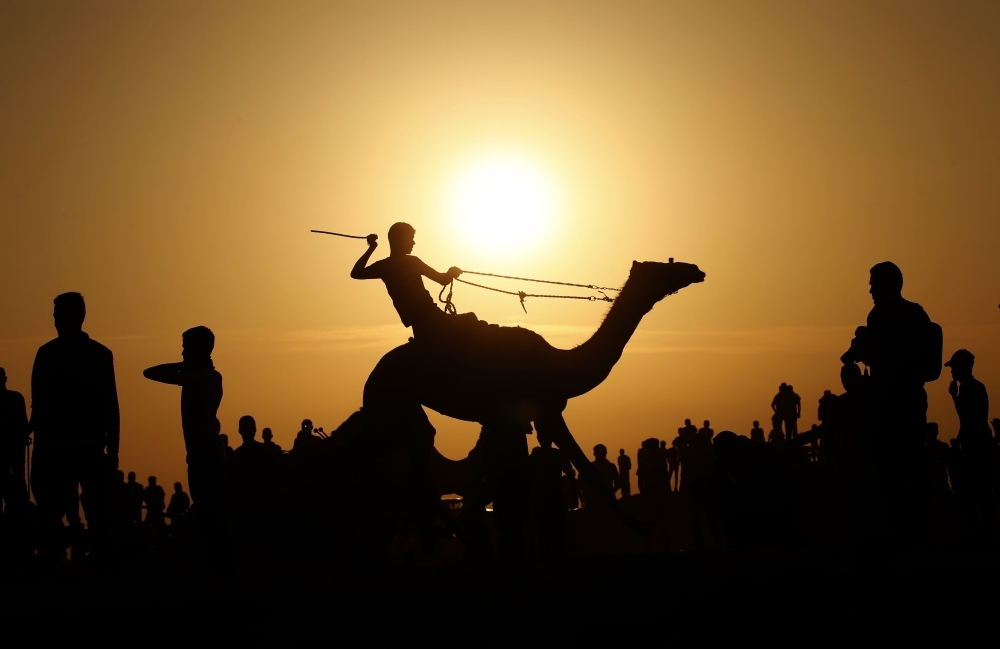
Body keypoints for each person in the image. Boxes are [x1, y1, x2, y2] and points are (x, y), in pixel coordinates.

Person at [841, 261, 941, 541]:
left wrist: (863, 350)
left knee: (894, 468)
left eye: (874, 283)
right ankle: (916, 529)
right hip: (906, 397)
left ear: (889, 284)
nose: (870, 289)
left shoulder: (883, 315)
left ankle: (905, 530)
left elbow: (882, 356)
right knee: (909, 464)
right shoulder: (913, 313)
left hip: (892, 398)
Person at [30, 293, 119, 566]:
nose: (54, 320)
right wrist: (112, 449)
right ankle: (98, 565)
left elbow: (40, 404)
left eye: (58, 314)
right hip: (86, 445)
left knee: (54, 511)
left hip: (59, 446)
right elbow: (110, 406)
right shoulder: (99, 354)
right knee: (92, 511)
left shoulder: (47, 354)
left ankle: (52, 565)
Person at [143, 326, 228, 568]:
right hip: (202, 453)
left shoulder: (205, 376)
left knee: (210, 513)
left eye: (186, 347)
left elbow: (150, 372)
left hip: (206, 454)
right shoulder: (202, 375)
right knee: (208, 512)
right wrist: (187, 363)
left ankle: (218, 565)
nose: (182, 351)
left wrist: (186, 365)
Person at [350, 223, 462, 344]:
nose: (413, 243)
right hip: (433, 318)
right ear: (399, 240)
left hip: (420, 322)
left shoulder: (384, 266)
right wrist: (451, 273)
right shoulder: (412, 262)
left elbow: (356, 273)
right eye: (411, 238)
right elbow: (442, 280)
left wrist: (372, 247)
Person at [945, 349, 992, 540]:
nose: (952, 371)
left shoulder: (968, 388)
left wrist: (958, 446)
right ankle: (984, 528)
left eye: (954, 367)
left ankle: (977, 529)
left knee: (969, 489)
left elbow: (966, 419)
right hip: (981, 442)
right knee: (981, 488)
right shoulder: (976, 386)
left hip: (975, 444)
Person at [0, 367, 30, 550]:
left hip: (13, 454)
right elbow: (24, 426)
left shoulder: (15, 399)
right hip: (14, 453)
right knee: (16, 491)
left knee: (15, 491)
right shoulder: (15, 399)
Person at [923, 423, 951, 499]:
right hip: (933, 485)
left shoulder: (924, 450)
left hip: (938, 485)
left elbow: (951, 467)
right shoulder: (943, 447)